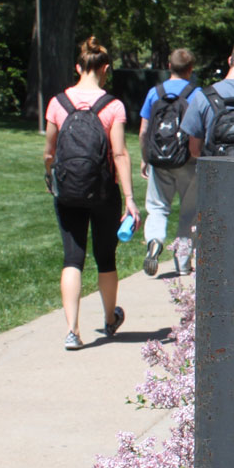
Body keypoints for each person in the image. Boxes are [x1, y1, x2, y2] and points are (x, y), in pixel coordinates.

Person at [43, 35, 139, 351]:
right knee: (105, 258)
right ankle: (110, 319)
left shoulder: (57, 103)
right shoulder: (113, 106)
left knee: (73, 258)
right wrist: (130, 199)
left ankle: (72, 331)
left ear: (78, 67)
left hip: (68, 191)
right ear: (105, 68)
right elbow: (120, 154)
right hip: (103, 192)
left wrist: (50, 175)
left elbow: (49, 152)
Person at [138, 48, 199, 277]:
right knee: (188, 211)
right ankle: (183, 263)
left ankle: (154, 240)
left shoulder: (154, 93)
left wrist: (145, 157)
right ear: (190, 69)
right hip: (187, 160)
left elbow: (144, 131)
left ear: (169, 66)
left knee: (157, 207)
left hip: (159, 160)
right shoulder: (196, 93)